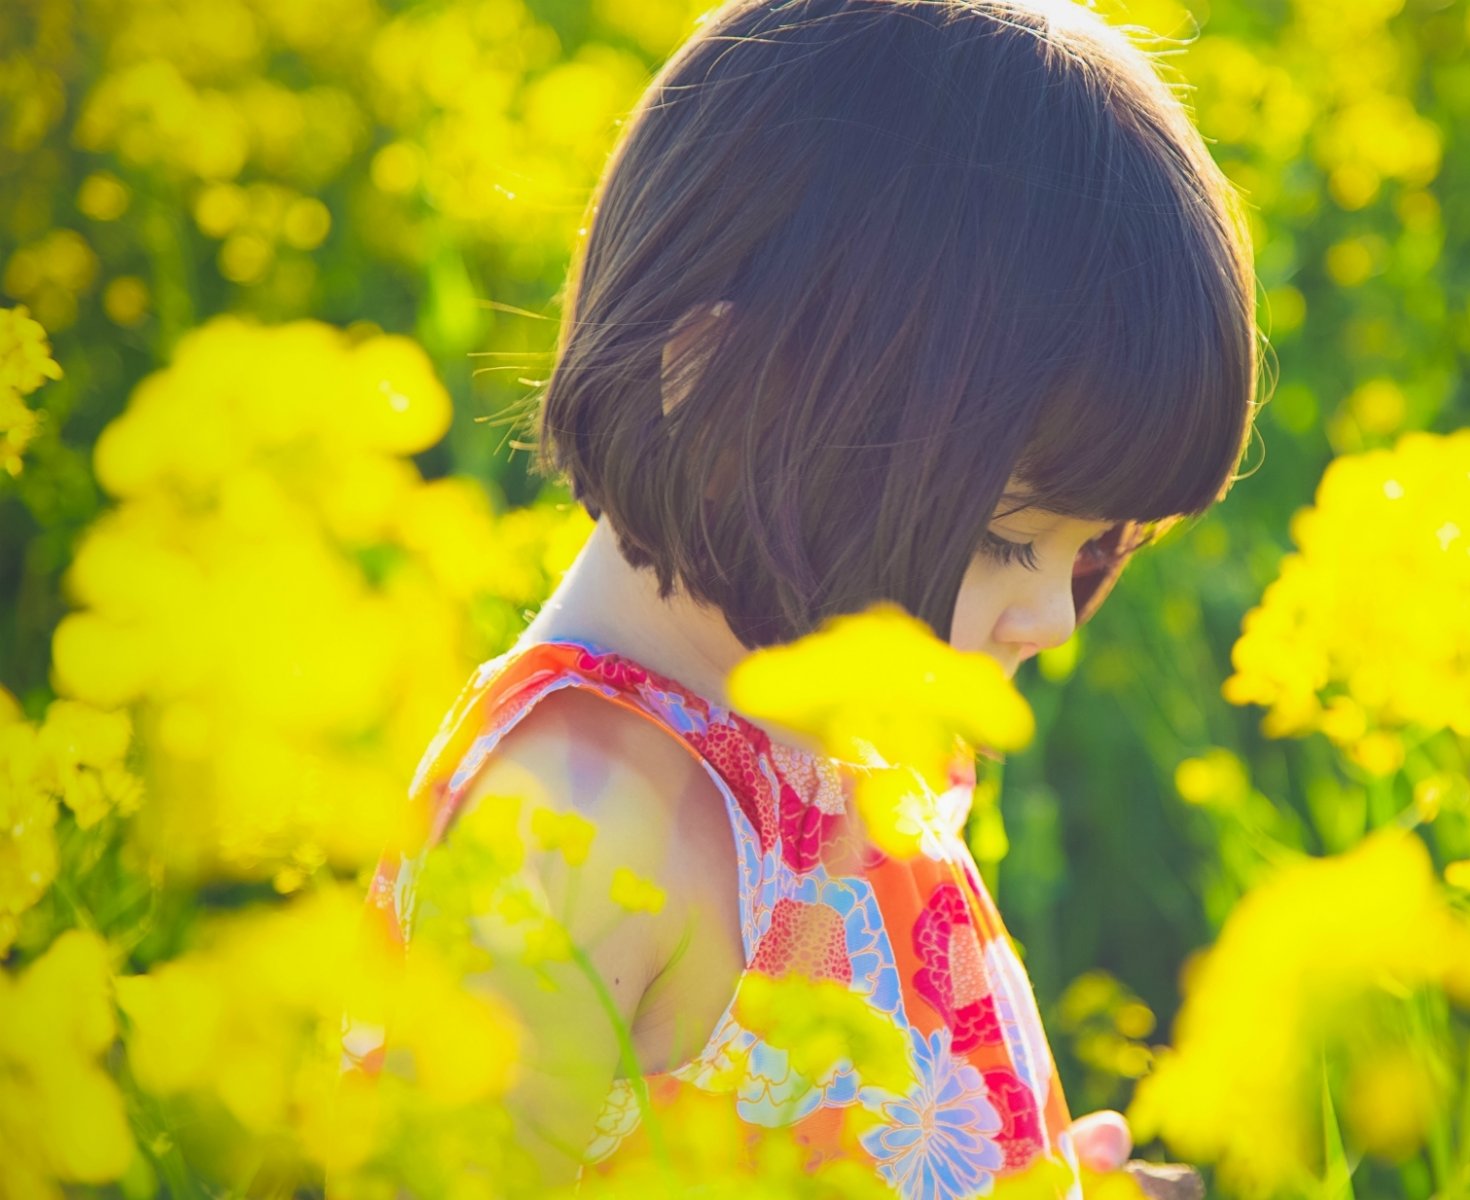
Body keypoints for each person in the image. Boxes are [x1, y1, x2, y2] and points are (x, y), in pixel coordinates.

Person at [352, 0, 1262, 1194]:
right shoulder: (577, 822)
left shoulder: (831, 741)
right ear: (726, 396)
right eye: (1000, 538)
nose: (1046, 617)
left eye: (1088, 548)